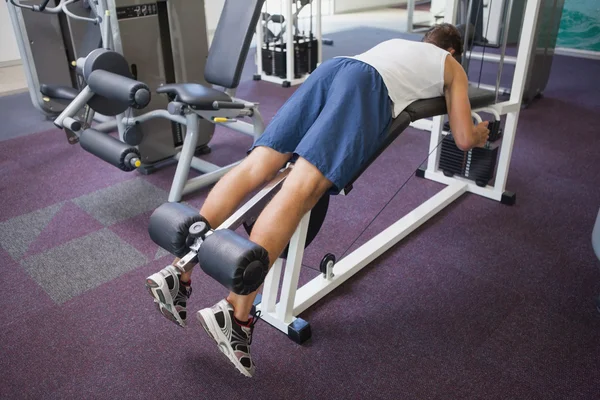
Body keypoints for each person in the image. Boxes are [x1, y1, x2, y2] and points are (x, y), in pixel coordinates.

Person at [145, 23, 490, 377]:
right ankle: (235, 314)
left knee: (256, 167)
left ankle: (178, 272)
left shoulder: (397, 45)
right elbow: (462, 137)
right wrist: (479, 134)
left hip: (332, 70)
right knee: (300, 187)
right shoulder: (451, 65)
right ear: (451, 51)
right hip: (366, 88)